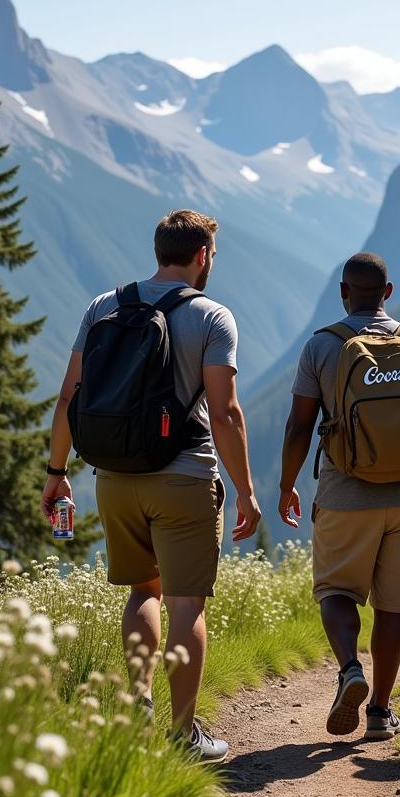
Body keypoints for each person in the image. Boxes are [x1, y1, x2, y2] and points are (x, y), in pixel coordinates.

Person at [41, 209, 261, 762]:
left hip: (113, 476)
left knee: (144, 592)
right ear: (203, 255)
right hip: (184, 476)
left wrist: (56, 472)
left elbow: (69, 397)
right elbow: (227, 412)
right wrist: (247, 491)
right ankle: (185, 735)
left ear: (158, 249)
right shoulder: (212, 317)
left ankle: (137, 706)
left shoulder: (103, 306)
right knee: (188, 604)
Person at [278, 252, 400, 741]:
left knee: (337, 592)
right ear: (388, 292)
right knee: (393, 607)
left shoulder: (322, 347)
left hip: (345, 495)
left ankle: (349, 670)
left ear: (344, 292)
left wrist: (285, 486)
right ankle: (381, 713)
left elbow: (300, 425)